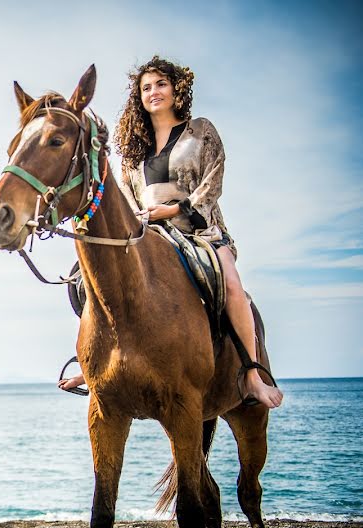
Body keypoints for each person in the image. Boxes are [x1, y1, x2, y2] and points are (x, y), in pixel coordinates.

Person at [58, 56, 283, 409]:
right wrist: (139, 219)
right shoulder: (133, 148)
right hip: (149, 235)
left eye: (161, 84)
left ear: (176, 89)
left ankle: (252, 375)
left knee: (233, 286)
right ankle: (93, 365)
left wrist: (177, 209)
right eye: (146, 87)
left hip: (200, 231)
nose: (154, 92)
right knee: (90, 280)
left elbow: (213, 181)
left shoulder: (201, 130)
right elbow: (127, 194)